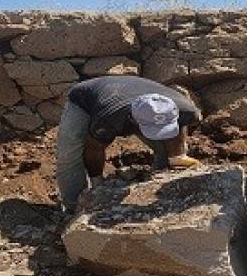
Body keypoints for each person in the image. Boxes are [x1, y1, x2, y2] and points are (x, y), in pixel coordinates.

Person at [56, 75, 201, 212]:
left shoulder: (186, 110)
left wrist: (178, 156)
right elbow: (94, 148)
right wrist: (97, 184)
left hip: (133, 90)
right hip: (84, 100)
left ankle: (159, 182)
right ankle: (73, 207)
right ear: (133, 121)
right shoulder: (109, 119)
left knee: (166, 150)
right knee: (68, 156)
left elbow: (181, 125)